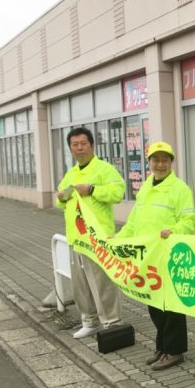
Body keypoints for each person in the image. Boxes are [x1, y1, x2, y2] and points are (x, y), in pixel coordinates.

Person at [116, 141, 195, 371]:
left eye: (164, 160)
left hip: (168, 255)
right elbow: (134, 222)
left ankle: (175, 350)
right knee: (154, 303)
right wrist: (118, 239)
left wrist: (174, 231)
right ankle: (161, 346)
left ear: (171, 162)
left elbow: (190, 221)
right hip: (147, 257)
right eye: (155, 159)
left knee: (170, 304)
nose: (159, 164)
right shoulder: (145, 187)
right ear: (149, 162)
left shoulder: (179, 189)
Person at [57, 128, 126, 338]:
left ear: (92, 145)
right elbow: (60, 202)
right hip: (77, 238)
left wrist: (93, 190)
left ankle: (112, 322)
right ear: (70, 149)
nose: (79, 148)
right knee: (82, 283)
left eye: (83, 143)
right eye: (75, 144)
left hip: (97, 238)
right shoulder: (71, 173)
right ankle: (89, 320)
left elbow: (118, 192)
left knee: (102, 282)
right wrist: (61, 197)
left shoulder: (104, 169)